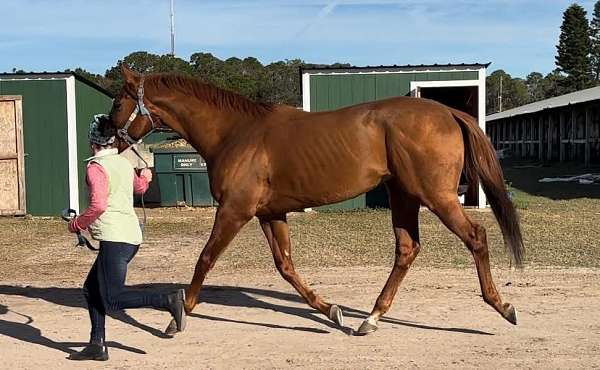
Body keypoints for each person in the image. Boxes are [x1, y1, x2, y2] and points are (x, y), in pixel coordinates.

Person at [66, 114, 186, 361]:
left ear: (92, 142)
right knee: (91, 289)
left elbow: (98, 204)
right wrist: (146, 177)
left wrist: (77, 223)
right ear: (113, 140)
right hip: (130, 236)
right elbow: (140, 188)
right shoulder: (122, 163)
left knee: (113, 296)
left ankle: (168, 300)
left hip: (115, 237)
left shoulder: (96, 168)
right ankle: (96, 344)